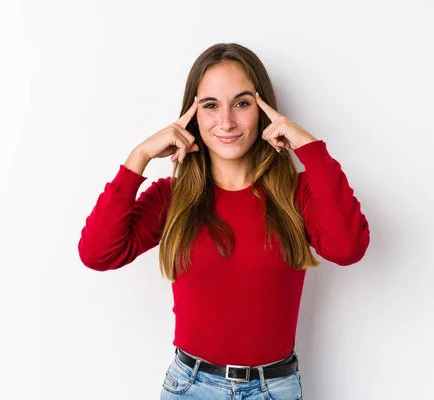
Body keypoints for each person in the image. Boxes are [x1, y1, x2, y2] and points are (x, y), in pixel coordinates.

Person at [78, 42, 370, 399]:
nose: (227, 121)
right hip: (190, 387)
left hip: (274, 389)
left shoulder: (297, 193)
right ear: (191, 115)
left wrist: (310, 147)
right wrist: (139, 157)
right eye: (211, 106)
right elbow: (98, 253)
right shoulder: (173, 197)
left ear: (265, 111)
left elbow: (348, 248)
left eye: (243, 103)